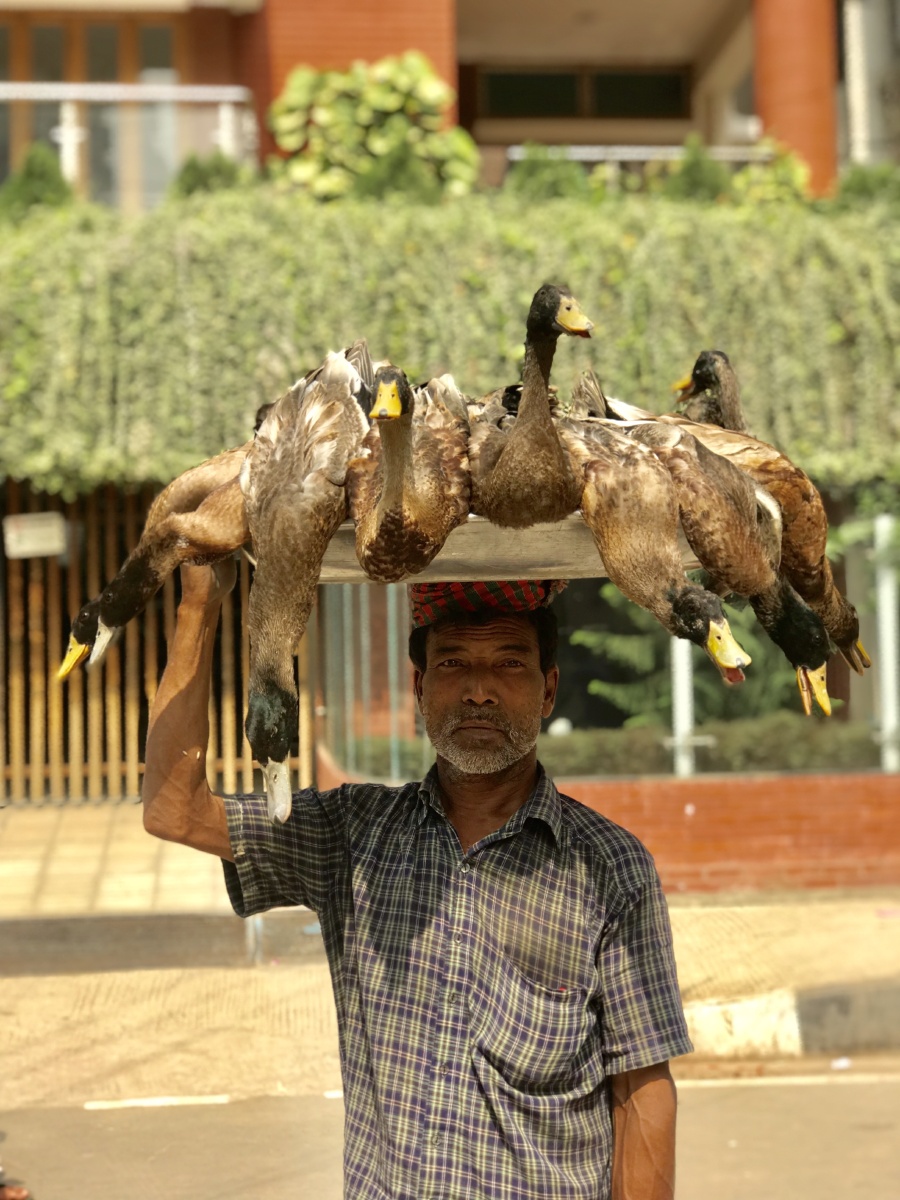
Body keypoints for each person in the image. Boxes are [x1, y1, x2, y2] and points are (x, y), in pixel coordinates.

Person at [143, 560, 693, 1200]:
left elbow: (641, 1087)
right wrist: (197, 606)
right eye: (453, 663)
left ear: (548, 691)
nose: (479, 690)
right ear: (419, 686)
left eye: (509, 664)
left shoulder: (608, 866)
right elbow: (173, 809)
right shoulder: (353, 834)